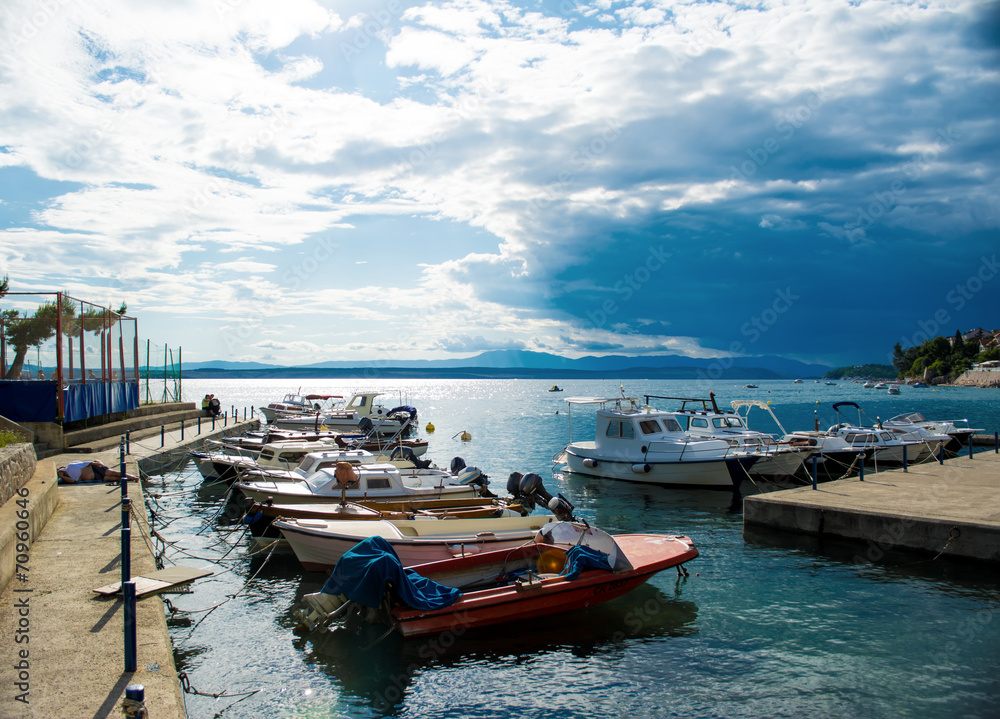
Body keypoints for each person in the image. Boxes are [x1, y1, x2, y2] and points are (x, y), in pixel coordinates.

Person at [57, 460, 138, 484]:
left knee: (114, 473)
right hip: (94, 476)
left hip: (94, 469)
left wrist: (95, 463)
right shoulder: (69, 478)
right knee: (113, 478)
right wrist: (62, 476)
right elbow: (73, 481)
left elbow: (84, 463)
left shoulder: (71, 466)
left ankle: (132, 477)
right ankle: (130, 479)